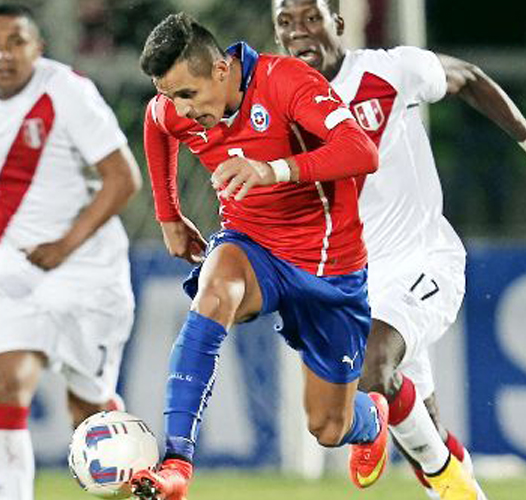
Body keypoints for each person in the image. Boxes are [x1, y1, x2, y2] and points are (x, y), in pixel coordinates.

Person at [271, 1, 526, 499]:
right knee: (426, 430)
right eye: (286, 22)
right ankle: (453, 481)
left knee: (372, 365)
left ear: (338, 23)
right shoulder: (276, 106)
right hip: (356, 282)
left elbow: (470, 78)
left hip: (423, 260)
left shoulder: (390, 71)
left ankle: (400, 445)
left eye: (311, 18)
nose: (299, 31)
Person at [131, 12, 388, 500]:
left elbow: (361, 151)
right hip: (252, 245)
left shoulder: (285, 81)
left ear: (221, 70)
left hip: (329, 267)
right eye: (170, 95)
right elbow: (155, 122)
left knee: (328, 426)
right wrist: (168, 215)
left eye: (188, 94)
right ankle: (176, 463)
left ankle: (371, 418)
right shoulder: (174, 109)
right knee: (214, 291)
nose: (181, 110)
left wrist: (273, 170)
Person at [0, 4, 141, 500]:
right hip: (14, 264)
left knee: (87, 411)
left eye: (16, 42)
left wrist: (65, 245)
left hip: (87, 268)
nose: (3, 53)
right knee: (4, 385)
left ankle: (138, 480)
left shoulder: (67, 91)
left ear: (38, 48)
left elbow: (123, 178)